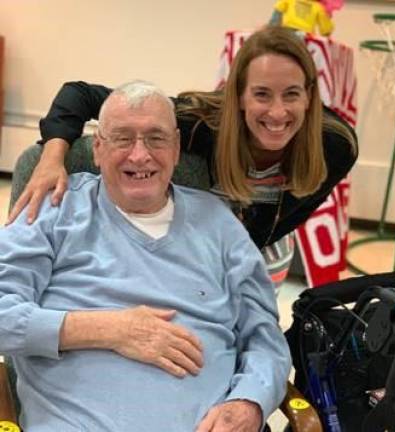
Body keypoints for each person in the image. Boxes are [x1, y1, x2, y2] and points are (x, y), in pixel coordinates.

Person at [0, 81, 290, 431]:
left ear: (177, 147)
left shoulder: (219, 223)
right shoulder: (53, 209)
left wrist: (248, 404)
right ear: (98, 148)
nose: (140, 155)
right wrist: (106, 329)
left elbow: (266, 339)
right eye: (123, 138)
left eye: (156, 138)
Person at [8, 26, 357, 253]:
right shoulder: (199, 122)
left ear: (310, 96)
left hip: (257, 247)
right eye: (262, 95)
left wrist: (242, 248)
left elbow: (293, 214)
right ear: (238, 95)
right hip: (197, 245)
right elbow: (80, 95)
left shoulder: (337, 147)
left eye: (291, 94)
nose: (278, 113)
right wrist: (52, 158)